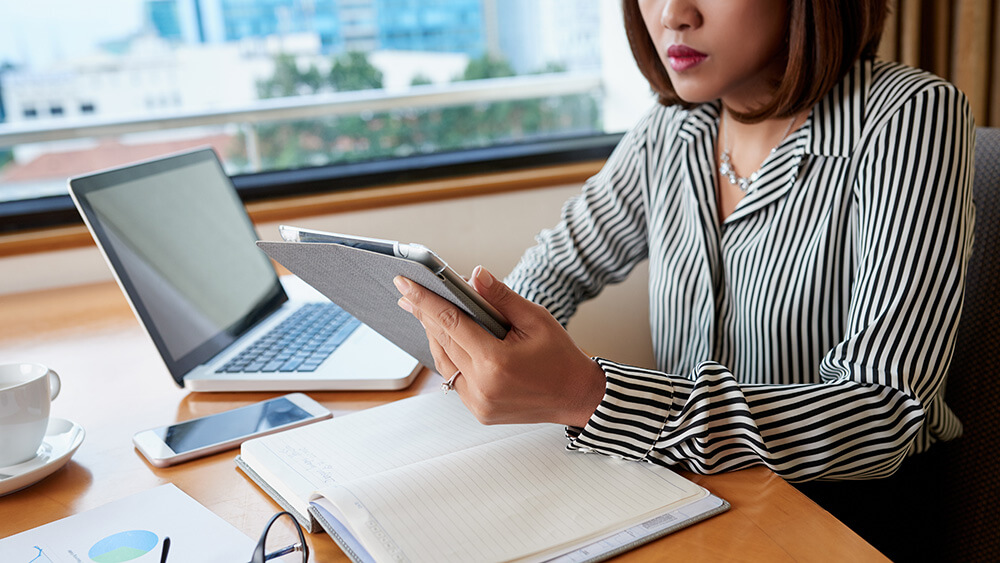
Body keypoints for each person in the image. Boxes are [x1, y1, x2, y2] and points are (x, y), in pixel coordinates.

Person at [393, 0, 975, 559]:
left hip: (839, 519)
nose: (673, 14)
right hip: (686, 498)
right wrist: (483, 342)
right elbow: (558, 266)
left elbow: (883, 409)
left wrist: (594, 396)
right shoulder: (675, 127)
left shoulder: (908, 116)